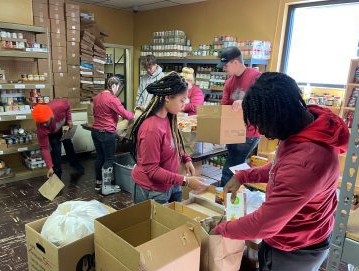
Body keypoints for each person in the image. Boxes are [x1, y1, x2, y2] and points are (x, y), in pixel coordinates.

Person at [214, 72, 350, 271]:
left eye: (263, 126)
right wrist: (245, 175)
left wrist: (222, 230)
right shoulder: (308, 122)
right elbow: (281, 167)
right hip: (304, 234)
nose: (263, 133)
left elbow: (263, 225)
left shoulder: (307, 161)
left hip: (296, 247)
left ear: (280, 117)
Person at [131, 72, 209, 204]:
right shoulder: (151, 129)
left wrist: (186, 158)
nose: (184, 105)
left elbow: (174, 143)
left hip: (171, 183)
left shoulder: (168, 117)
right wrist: (186, 181)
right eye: (182, 100)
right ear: (168, 97)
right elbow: (152, 170)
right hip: (154, 190)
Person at [217, 46, 262, 187]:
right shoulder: (229, 82)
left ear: (235, 62)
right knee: (237, 164)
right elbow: (224, 105)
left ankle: (221, 198)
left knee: (230, 167)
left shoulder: (256, 77)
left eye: (226, 65)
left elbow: (263, 102)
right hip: (232, 131)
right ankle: (243, 190)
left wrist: (245, 103)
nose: (224, 69)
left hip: (249, 132)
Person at [91, 76, 134, 195]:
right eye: (118, 87)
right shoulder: (112, 99)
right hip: (107, 133)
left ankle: (98, 184)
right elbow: (127, 115)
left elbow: (98, 113)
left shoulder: (97, 97)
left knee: (100, 157)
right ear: (114, 86)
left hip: (95, 131)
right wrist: (135, 115)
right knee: (109, 159)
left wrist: (114, 117)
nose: (117, 90)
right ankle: (107, 187)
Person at [32, 99, 84, 179]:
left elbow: (68, 105)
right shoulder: (41, 127)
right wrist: (49, 167)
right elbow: (44, 148)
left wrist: (69, 120)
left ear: (51, 115)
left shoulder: (60, 105)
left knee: (69, 145)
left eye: (45, 121)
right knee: (56, 152)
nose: (44, 124)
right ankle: (57, 176)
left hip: (64, 128)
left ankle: (75, 164)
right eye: (42, 123)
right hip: (53, 133)